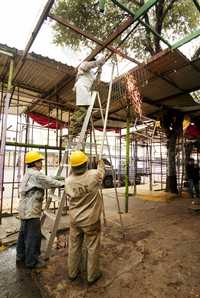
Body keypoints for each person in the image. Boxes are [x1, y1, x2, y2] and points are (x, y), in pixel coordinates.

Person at [16, 151, 65, 269]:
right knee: (33, 236)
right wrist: (63, 184)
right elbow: (49, 182)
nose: (41, 163)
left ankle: (20, 255)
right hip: (31, 211)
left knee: (23, 234)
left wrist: (55, 179)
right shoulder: (37, 175)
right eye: (40, 161)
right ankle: (31, 262)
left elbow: (44, 181)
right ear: (34, 163)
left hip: (24, 209)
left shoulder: (29, 173)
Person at [65, 150, 105, 284]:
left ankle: (72, 273)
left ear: (72, 166)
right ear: (86, 163)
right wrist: (100, 162)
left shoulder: (68, 181)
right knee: (92, 246)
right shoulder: (94, 175)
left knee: (74, 246)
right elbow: (102, 172)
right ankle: (92, 275)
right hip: (90, 220)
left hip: (74, 219)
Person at [68, 55, 105, 143]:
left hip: (87, 91)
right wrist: (98, 62)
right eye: (93, 62)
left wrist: (99, 72)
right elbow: (89, 65)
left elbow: (96, 83)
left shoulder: (91, 73)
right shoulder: (84, 65)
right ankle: (72, 132)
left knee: (85, 113)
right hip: (81, 87)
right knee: (81, 110)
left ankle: (78, 131)